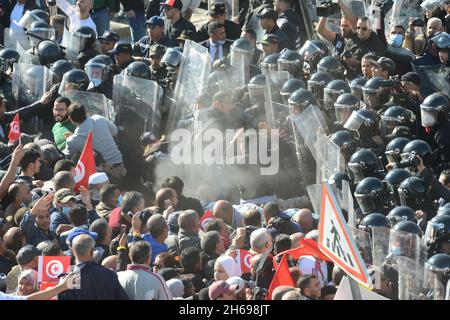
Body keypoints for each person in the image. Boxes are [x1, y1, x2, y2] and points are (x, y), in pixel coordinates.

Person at [64, 103, 126, 179]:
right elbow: (115, 131)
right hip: (120, 164)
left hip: (101, 175)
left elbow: (67, 156)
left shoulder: (72, 141)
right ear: (85, 113)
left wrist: (70, 138)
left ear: (70, 119)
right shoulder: (99, 118)